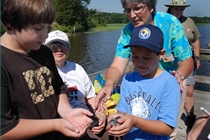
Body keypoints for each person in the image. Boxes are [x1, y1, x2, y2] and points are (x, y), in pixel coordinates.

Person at [95, 0, 194, 139]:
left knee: (167, 131)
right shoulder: (128, 31)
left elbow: (187, 60)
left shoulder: (170, 23)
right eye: (127, 10)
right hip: (140, 81)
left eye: (137, 8)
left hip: (171, 81)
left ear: (151, 7)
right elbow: (117, 65)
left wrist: (179, 74)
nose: (132, 15)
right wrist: (109, 86)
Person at [1, 0, 94, 139]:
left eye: (47, 27)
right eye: (38, 28)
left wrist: (67, 112)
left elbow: (58, 89)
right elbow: (4, 129)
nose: (45, 35)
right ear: (10, 23)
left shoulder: (44, 52)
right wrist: (56, 124)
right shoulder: (3, 63)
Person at [106, 24, 181, 140]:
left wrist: (135, 121)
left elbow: (167, 128)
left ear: (161, 54)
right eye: (135, 57)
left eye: (146, 58)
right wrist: (116, 119)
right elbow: (122, 112)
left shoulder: (169, 83)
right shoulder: (128, 79)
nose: (140, 63)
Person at [44, 30, 110, 140]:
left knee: (114, 129)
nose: (59, 49)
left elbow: (90, 97)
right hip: (62, 122)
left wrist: (99, 113)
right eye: (54, 46)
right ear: (45, 49)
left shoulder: (77, 68)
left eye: (62, 45)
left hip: (86, 116)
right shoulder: (43, 70)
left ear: (68, 48)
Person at [165, 0, 201, 128]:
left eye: (181, 9)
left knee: (189, 91)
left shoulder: (189, 21)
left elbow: (195, 40)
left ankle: (190, 116)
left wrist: (197, 57)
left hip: (187, 61)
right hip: (168, 62)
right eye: (176, 8)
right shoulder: (163, 20)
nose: (179, 11)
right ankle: (168, 117)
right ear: (170, 8)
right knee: (169, 89)